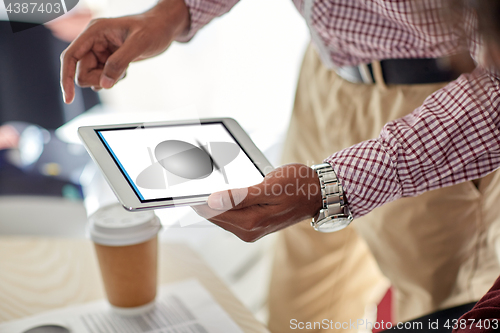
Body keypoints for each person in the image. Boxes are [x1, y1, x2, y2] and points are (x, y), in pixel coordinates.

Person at [59, 0, 500, 331]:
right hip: (325, 76)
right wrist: (174, 12)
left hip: (444, 113)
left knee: (435, 310)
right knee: (298, 310)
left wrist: (336, 184)